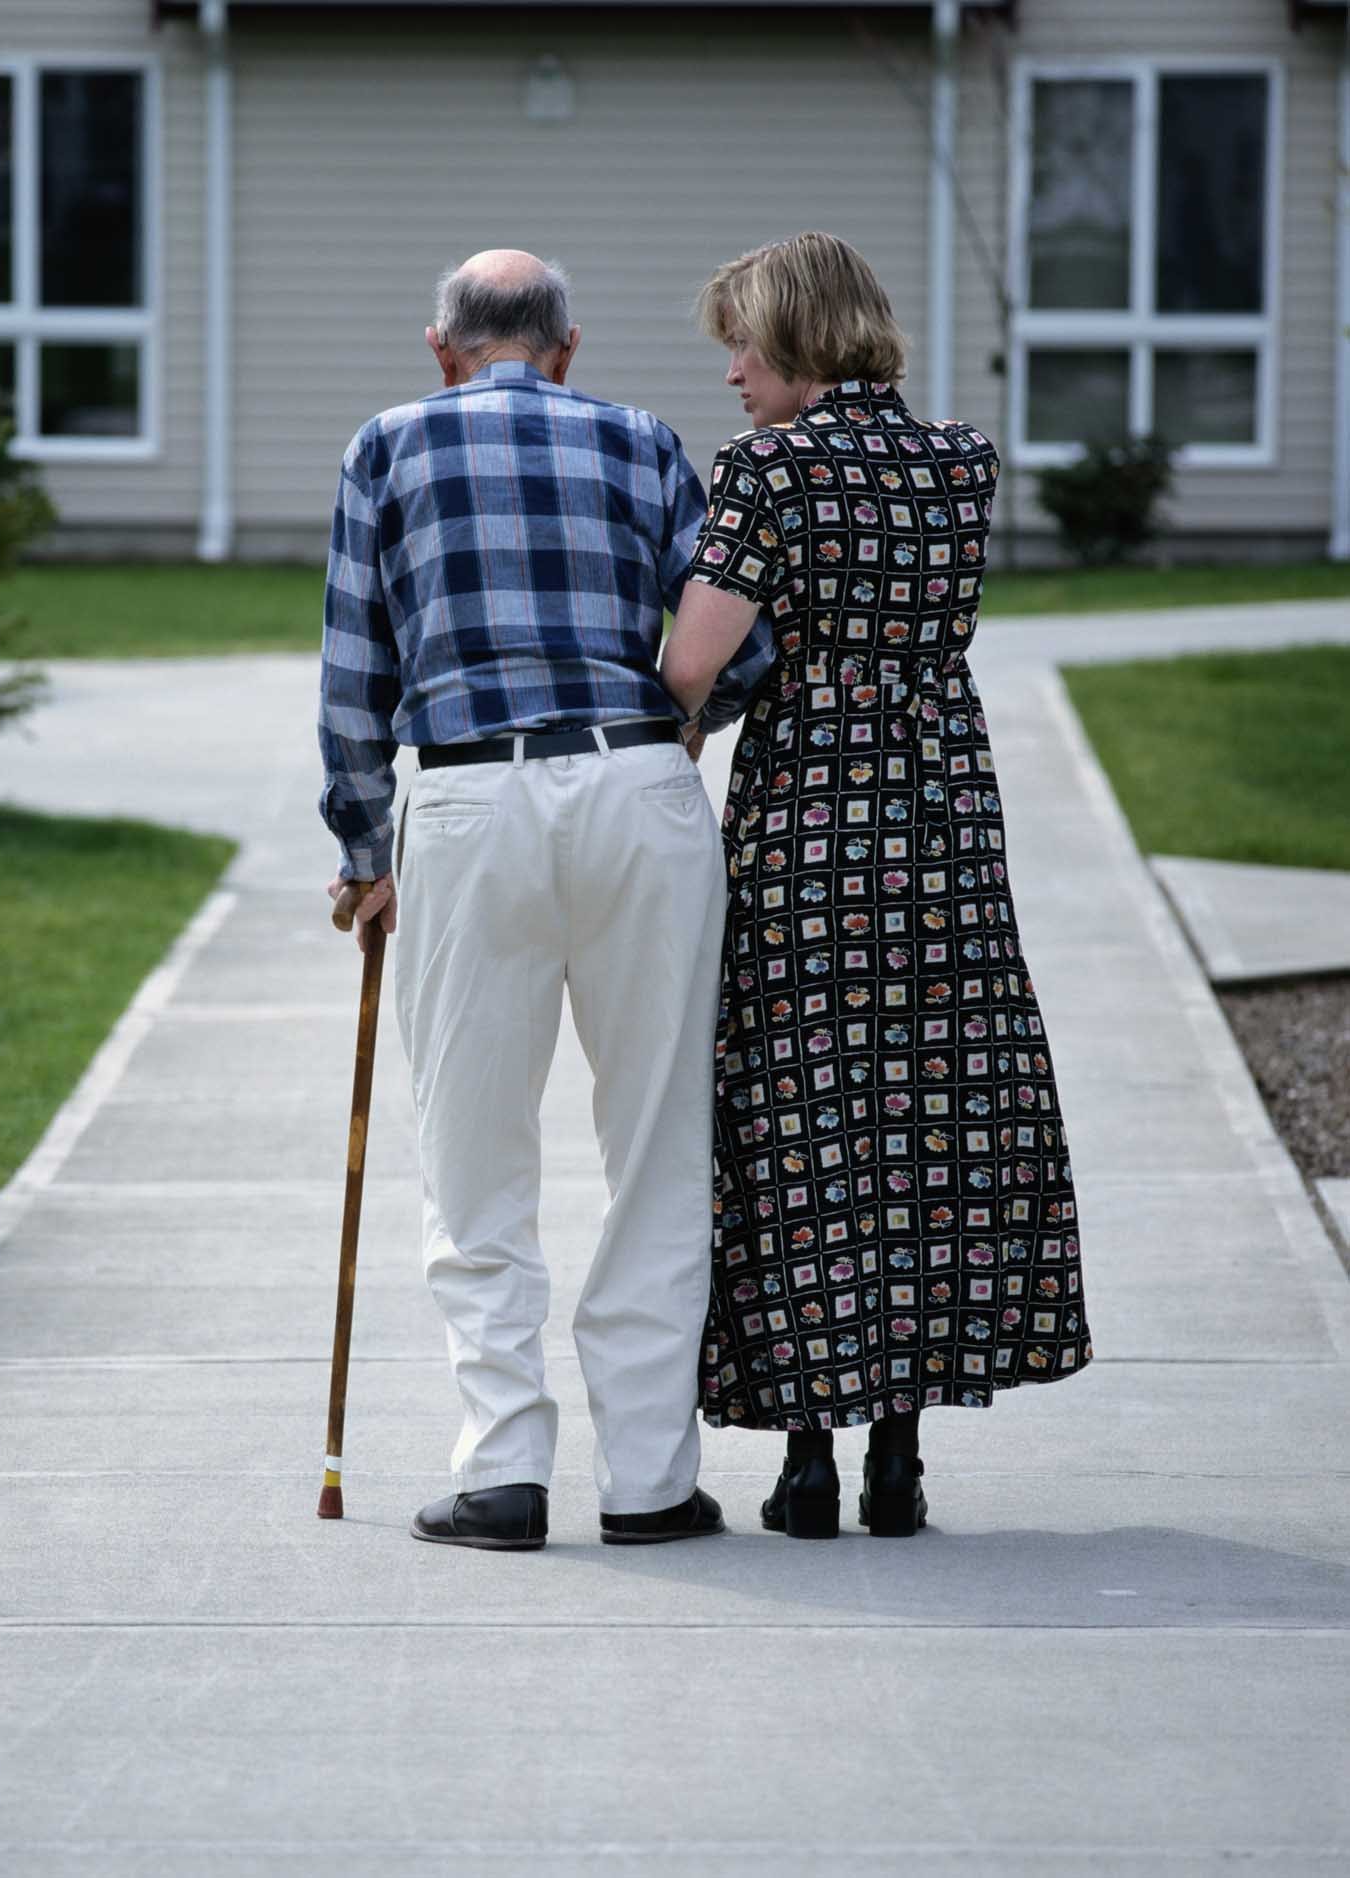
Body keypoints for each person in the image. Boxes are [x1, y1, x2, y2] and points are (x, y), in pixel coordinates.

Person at [318, 249, 773, 1552]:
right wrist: (679, 728)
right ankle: (645, 1479)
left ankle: (503, 1469)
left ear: (441, 346)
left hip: (467, 805)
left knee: (472, 1150)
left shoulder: (385, 446)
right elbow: (732, 635)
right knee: (655, 1146)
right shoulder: (643, 442)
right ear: (565, 348)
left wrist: (361, 850)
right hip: (636, 791)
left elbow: (357, 664)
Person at [659, 231, 1092, 1541]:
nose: (731, 370)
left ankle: (804, 1457)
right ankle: (896, 1462)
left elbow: (692, 663)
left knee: (803, 1114)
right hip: (945, 811)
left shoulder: (767, 471)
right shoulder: (960, 460)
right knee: (930, 1118)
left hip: (810, 825)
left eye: (743, 341)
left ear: (796, 338)